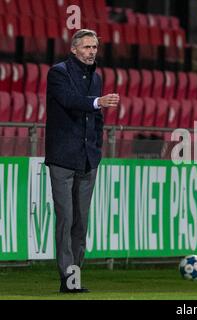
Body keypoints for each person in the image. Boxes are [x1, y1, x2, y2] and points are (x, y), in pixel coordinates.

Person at [45, 29, 120, 293]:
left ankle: (74, 279)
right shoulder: (58, 73)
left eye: (95, 48)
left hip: (88, 159)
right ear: (74, 49)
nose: (91, 52)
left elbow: (96, 119)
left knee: (81, 222)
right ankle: (66, 279)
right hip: (63, 158)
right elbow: (69, 100)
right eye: (87, 47)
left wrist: (97, 148)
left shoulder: (96, 77)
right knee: (65, 218)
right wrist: (98, 102)